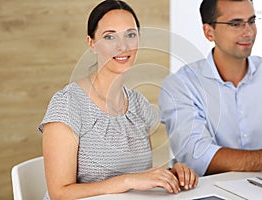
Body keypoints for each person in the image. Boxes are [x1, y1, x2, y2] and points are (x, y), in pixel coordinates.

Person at [39, 0, 198, 199]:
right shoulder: (68, 104)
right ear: (92, 43)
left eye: (130, 35)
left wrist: (170, 174)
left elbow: (140, 175)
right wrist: (128, 180)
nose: (122, 46)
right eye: (109, 36)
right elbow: (59, 193)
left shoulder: (138, 104)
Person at [159, 0, 262, 177]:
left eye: (251, 22)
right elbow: (198, 157)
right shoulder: (181, 85)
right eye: (236, 24)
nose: (248, 32)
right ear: (209, 32)